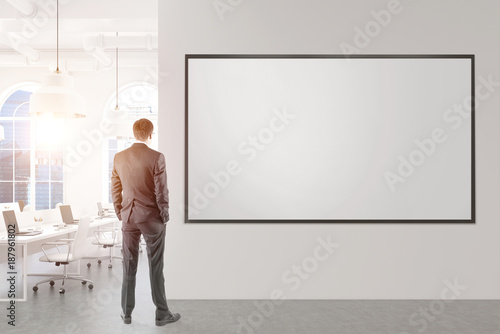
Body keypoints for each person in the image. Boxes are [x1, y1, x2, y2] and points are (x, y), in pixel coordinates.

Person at [111, 118, 180, 326]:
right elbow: (161, 190)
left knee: (128, 264)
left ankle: (126, 313)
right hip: (152, 218)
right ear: (151, 135)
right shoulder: (157, 157)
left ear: (134, 133)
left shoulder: (119, 157)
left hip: (128, 218)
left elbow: (115, 189)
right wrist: (164, 215)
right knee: (156, 266)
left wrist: (120, 213)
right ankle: (161, 313)